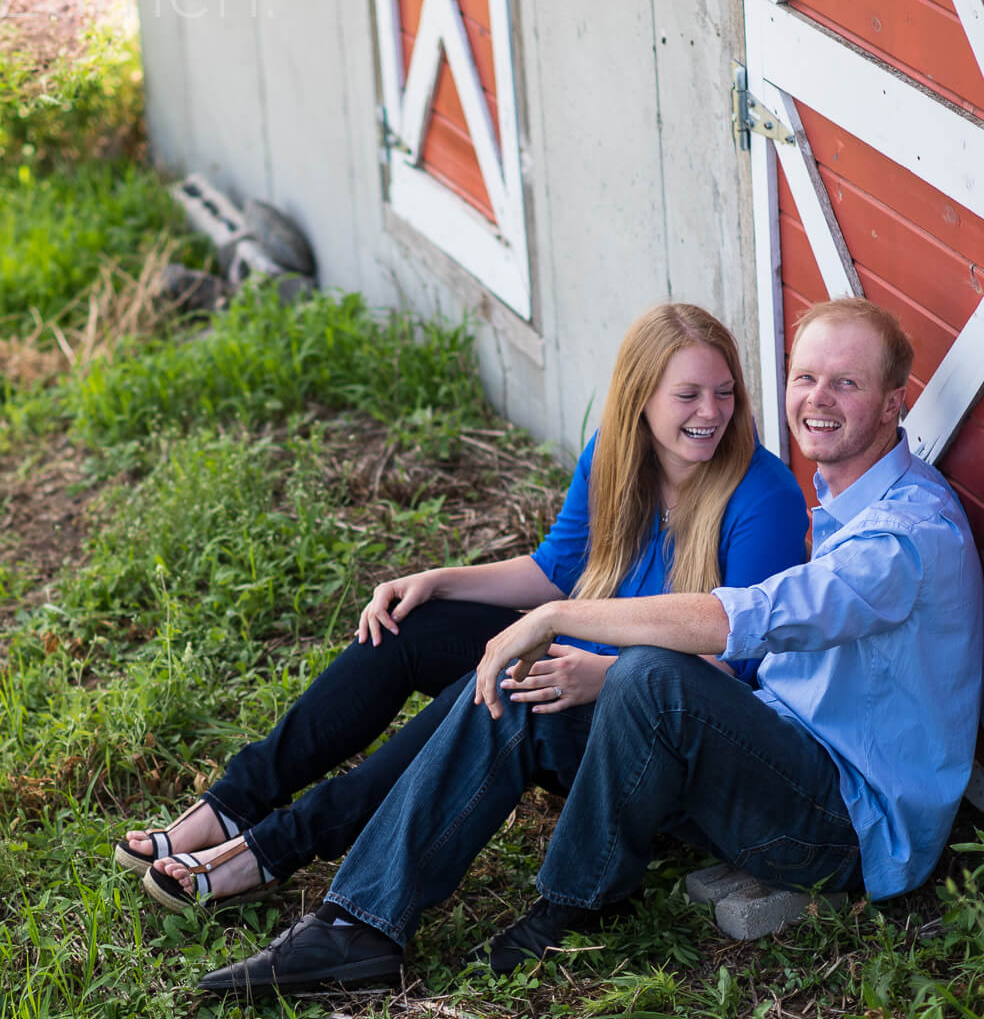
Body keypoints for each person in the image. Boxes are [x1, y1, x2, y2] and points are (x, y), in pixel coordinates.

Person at [200, 295, 984, 1000]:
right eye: (805, 377)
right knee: (523, 689)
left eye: (845, 383)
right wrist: (519, 626)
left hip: (842, 826)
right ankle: (358, 925)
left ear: (893, 403)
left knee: (651, 675)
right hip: (771, 761)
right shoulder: (844, 504)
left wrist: (554, 619)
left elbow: (741, 619)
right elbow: (564, 570)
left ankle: (572, 902)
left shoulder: (903, 539)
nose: (817, 398)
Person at [116, 302, 808, 912]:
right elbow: (553, 571)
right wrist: (438, 580)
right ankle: (234, 803)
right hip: (576, 665)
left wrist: (604, 676)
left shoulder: (762, 496)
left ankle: (274, 848)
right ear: (640, 400)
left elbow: (736, 674)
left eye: (724, 392)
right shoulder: (615, 458)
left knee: (497, 681)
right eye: (688, 394)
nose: (711, 412)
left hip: (644, 730)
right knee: (410, 626)